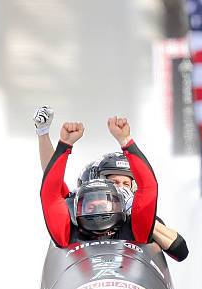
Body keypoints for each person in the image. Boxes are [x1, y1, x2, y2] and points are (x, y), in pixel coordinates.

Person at [34, 106, 188, 261]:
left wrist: (126, 141)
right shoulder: (69, 223)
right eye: (114, 182)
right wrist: (58, 142)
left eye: (125, 184)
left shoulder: (137, 224)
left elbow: (180, 251)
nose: (119, 189)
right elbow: (52, 188)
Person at [41, 117, 157, 245]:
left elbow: (148, 188)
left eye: (104, 203)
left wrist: (126, 141)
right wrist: (64, 144)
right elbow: (51, 193)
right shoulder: (66, 233)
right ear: (77, 208)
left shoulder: (136, 229)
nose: (98, 209)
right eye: (90, 206)